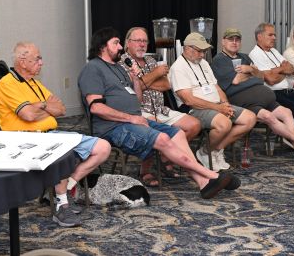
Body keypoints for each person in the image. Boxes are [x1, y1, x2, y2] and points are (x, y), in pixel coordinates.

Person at [77, 27, 240, 199]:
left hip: (135, 119)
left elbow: (138, 99)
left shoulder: (118, 69)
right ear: (103, 46)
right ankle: (210, 175)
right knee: (162, 137)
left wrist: (135, 79)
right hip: (114, 126)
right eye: (116, 43)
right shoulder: (93, 68)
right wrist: (131, 118)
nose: (119, 47)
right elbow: (96, 108)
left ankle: (203, 183)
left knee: (177, 133)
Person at [0, 42, 112, 227]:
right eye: (37, 59)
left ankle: (66, 188)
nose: (41, 63)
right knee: (63, 152)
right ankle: (61, 205)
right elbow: (27, 115)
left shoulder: (35, 83)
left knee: (103, 147)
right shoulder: (7, 83)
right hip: (26, 138)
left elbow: (61, 109)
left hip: (51, 133)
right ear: (22, 61)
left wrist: (39, 106)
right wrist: (45, 105)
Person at [211, 28, 294, 166]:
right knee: (269, 117)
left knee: (287, 112)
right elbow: (236, 81)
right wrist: (252, 73)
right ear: (223, 42)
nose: (234, 42)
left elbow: (261, 77)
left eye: (237, 40)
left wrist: (250, 70)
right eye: (231, 39)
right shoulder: (219, 60)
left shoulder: (244, 57)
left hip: (263, 96)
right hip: (243, 101)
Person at [120, 27, 201, 185]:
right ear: (128, 43)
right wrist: (155, 75)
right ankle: (145, 171)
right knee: (153, 128)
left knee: (194, 125)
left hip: (160, 109)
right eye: (138, 41)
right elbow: (132, 88)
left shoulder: (151, 60)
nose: (142, 45)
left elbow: (165, 85)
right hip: (139, 111)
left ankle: (165, 157)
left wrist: (146, 81)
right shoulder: (123, 63)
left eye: (145, 41)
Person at [169, 32, 256, 171]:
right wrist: (219, 108)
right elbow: (189, 100)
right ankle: (204, 152)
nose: (202, 55)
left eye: (204, 51)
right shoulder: (178, 68)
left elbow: (216, 87)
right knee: (224, 124)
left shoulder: (203, 63)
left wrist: (225, 103)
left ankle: (215, 150)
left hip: (216, 106)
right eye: (199, 51)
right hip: (195, 109)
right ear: (187, 49)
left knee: (250, 118)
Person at [249, 23, 294, 145]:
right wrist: (282, 69)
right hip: (272, 94)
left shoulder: (274, 51)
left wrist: (276, 70)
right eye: (271, 35)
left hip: (287, 91)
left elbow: (291, 68)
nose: (274, 38)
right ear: (259, 36)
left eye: (275, 35)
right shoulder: (255, 54)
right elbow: (270, 80)